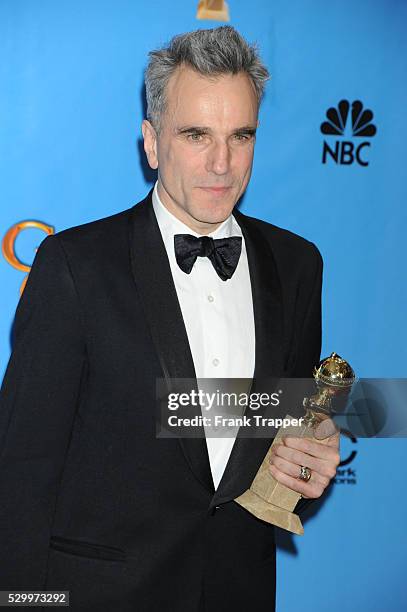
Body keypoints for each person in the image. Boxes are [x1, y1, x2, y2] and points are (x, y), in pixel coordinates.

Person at [0, 26, 340, 611]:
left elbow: (279, 429)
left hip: (240, 590)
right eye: (195, 135)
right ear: (152, 142)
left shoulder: (297, 264)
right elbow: (22, 473)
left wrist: (307, 463)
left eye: (241, 136)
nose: (221, 163)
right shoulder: (76, 267)